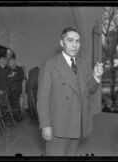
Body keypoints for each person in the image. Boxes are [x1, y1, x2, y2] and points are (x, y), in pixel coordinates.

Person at [37, 27, 103, 156]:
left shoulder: (82, 64)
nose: (75, 45)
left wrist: (96, 76)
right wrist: (45, 125)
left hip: (77, 123)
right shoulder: (50, 64)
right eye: (70, 40)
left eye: (78, 41)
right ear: (62, 43)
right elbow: (42, 98)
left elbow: (88, 90)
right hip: (58, 126)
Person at [7, 53, 24, 122]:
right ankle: (13, 116)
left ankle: (18, 117)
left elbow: (21, 77)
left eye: (11, 61)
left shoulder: (19, 69)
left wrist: (12, 78)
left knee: (15, 102)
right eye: (9, 61)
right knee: (11, 103)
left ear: (14, 61)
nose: (9, 62)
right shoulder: (7, 70)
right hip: (9, 89)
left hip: (16, 88)